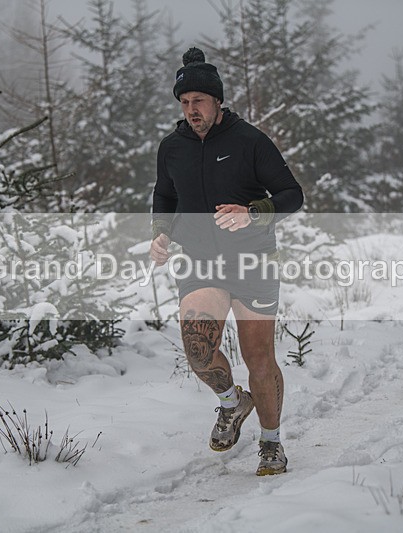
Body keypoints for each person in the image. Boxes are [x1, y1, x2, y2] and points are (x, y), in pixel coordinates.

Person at [150, 47, 303, 476]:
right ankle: (233, 404)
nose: (191, 110)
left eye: (198, 101)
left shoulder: (250, 141)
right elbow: (165, 195)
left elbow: (293, 194)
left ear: (217, 101)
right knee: (198, 352)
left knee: (259, 359)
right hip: (200, 262)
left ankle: (271, 443)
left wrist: (253, 212)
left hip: (253, 262)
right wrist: (160, 232)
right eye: (184, 102)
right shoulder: (172, 147)